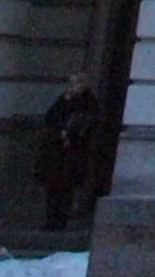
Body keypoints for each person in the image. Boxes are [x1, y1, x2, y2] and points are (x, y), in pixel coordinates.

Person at [36, 77, 103, 227]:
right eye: (71, 83)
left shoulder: (88, 103)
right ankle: (51, 219)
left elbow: (86, 123)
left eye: (76, 83)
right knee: (53, 187)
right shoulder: (63, 100)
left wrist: (69, 132)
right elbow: (50, 118)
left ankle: (61, 220)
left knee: (66, 188)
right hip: (56, 151)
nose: (72, 87)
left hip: (73, 152)